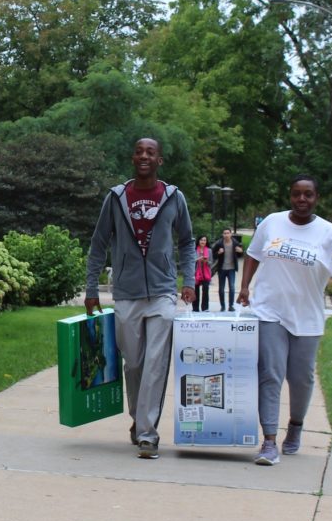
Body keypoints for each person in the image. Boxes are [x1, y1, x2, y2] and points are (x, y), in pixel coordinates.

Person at [236, 174, 332, 466]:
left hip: (307, 317)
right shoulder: (272, 222)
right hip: (270, 311)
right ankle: (268, 441)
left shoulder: (328, 233)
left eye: (308, 195)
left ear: (316, 198)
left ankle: (295, 426)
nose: (302, 200)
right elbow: (254, 254)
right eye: (297, 194)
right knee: (270, 373)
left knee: (301, 378)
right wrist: (245, 287)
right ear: (290, 196)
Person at [85, 138, 196, 460]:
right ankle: (139, 418)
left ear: (159, 160)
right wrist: (92, 289)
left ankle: (148, 434)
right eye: (139, 152)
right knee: (133, 364)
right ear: (133, 158)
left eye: (150, 152)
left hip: (162, 292)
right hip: (127, 293)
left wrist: (188, 280)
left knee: (155, 365)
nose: (144, 156)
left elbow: (187, 242)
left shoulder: (173, 197)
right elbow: (98, 243)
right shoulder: (117, 197)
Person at [211, 228, 244, 311]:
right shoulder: (219, 244)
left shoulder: (235, 243)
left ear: (231, 234)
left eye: (228, 233)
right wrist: (218, 253)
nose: (226, 235)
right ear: (223, 235)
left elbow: (240, 255)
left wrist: (240, 251)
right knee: (221, 288)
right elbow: (213, 255)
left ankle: (231, 306)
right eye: (224, 233)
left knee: (232, 288)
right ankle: (222, 306)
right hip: (222, 269)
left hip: (231, 269)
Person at [192, 235, 212, 312]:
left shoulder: (209, 250)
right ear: (198, 241)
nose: (203, 242)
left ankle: (205, 308)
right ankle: (195, 308)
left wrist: (206, 261)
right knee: (196, 291)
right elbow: (191, 261)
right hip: (196, 273)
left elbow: (211, 263)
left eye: (204, 240)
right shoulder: (194, 250)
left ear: (206, 242)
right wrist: (198, 259)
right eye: (201, 240)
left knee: (206, 290)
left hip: (206, 274)